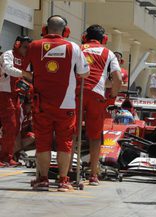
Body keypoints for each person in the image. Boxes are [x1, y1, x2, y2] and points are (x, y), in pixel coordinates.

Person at [23, 15, 89, 191]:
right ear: (65, 31)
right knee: (65, 142)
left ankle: (43, 179)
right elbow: (84, 73)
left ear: (45, 29)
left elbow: (26, 72)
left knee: (42, 142)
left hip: (41, 103)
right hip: (66, 104)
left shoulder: (34, 45)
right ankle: (63, 181)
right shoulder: (73, 47)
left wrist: (40, 77)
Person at [76, 24, 122, 185]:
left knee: (70, 132)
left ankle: (67, 173)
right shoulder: (108, 53)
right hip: (97, 95)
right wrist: (112, 98)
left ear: (84, 37)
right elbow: (118, 79)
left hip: (76, 92)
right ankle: (93, 174)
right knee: (95, 136)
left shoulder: (77, 48)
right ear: (104, 39)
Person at [0, 36, 32, 167]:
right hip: (4, 94)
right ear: (18, 44)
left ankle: (8, 157)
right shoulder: (8, 54)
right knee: (10, 125)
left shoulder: (26, 59)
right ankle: (3, 157)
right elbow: (7, 68)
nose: (27, 50)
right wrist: (24, 74)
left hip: (16, 95)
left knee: (16, 127)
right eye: (25, 47)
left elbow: (30, 75)